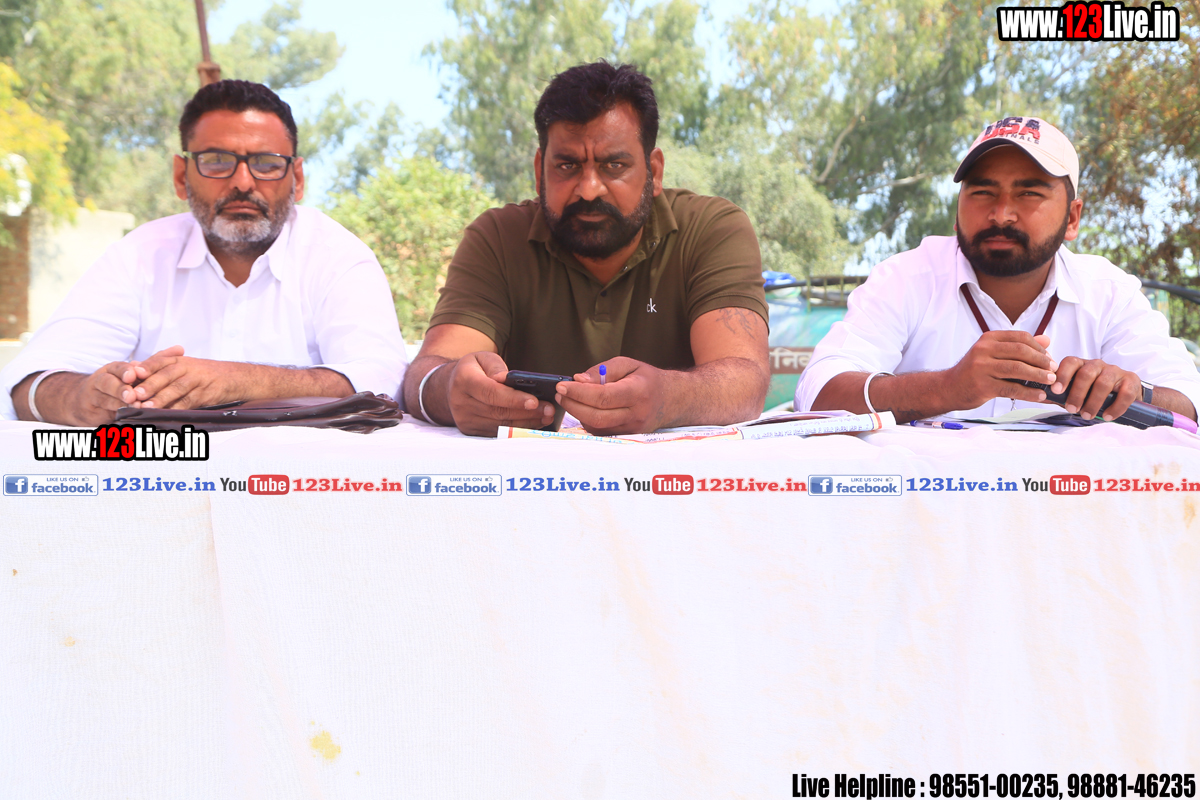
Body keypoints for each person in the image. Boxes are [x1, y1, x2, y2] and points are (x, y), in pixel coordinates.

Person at [1, 80, 407, 425]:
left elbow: (383, 384)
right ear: (181, 176)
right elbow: (26, 384)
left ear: (297, 179)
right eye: (217, 161)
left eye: (267, 163)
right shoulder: (140, 255)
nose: (243, 182)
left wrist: (242, 381)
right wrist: (84, 397)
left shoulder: (338, 257)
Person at [403, 61, 769, 436]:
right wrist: (450, 389)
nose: (589, 189)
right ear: (539, 171)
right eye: (567, 166)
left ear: (654, 172)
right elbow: (425, 372)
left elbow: (745, 381)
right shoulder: (496, 239)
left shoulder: (712, 230)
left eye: (614, 165)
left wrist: (668, 398)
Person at [795, 115, 1200, 423]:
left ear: (1073, 218)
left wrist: (1133, 392)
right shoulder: (906, 278)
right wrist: (947, 387)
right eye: (982, 191)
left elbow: (1189, 404)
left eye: (1029, 193)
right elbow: (817, 393)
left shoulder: (1108, 292)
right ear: (957, 208)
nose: (1001, 214)